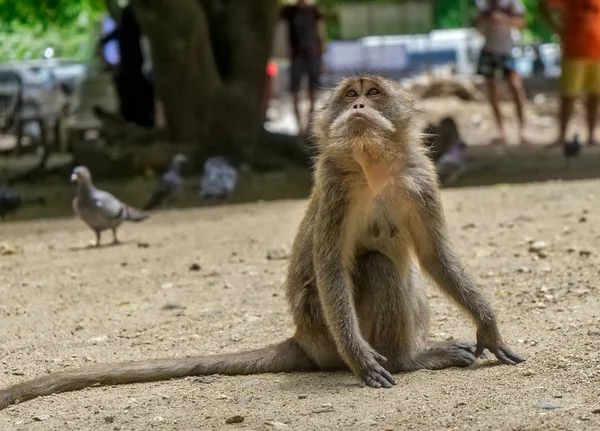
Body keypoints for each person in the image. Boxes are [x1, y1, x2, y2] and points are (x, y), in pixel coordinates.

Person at [539, 0, 600, 147]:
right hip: (574, 50)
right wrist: (559, 30)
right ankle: (561, 136)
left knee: (595, 95)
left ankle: (591, 136)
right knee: (568, 95)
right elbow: (544, 6)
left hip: (597, 50)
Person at [474, 0, 528, 145]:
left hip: (507, 51)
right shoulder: (483, 5)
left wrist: (503, 19)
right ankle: (501, 132)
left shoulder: (513, 3)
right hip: (488, 50)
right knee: (492, 93)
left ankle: (522, 131)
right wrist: (485, 20)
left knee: (516, 88)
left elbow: (522, 24)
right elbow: (478, 28)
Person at [99, 5, 155, 129]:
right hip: (133, 69)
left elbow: (105, 40)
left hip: (132, 69)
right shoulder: (130, 27)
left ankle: (138, 121)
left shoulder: (126, 27)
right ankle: (140, 121)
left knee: (133, 96)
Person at [280, 0, 326, 136]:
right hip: (296, 56)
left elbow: (320, 33)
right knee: (295, 89)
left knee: (313, 89)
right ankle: (299, 126)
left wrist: (322, 58)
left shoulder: (314, 11)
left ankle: (309, 125)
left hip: (313, 55)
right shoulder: (289, 11)